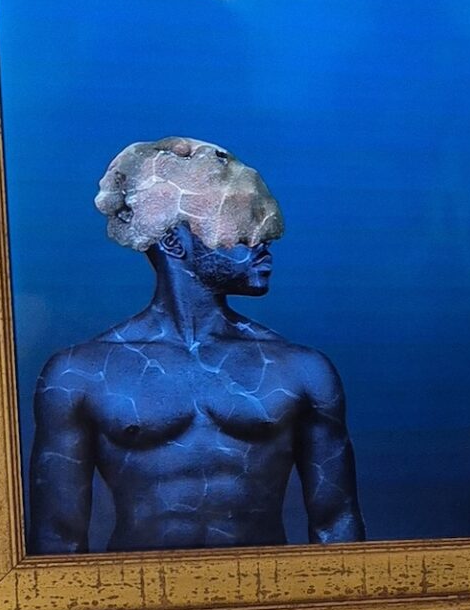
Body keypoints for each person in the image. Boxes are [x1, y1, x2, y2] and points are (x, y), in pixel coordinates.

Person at [27, 136, 365, 552]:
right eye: (239, 228)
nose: (263, 245)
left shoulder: (301, 370)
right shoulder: (80, 374)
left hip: (264, 589)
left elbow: (336, 525)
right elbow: (57, 538)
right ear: (173, 241)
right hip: (138, 592)